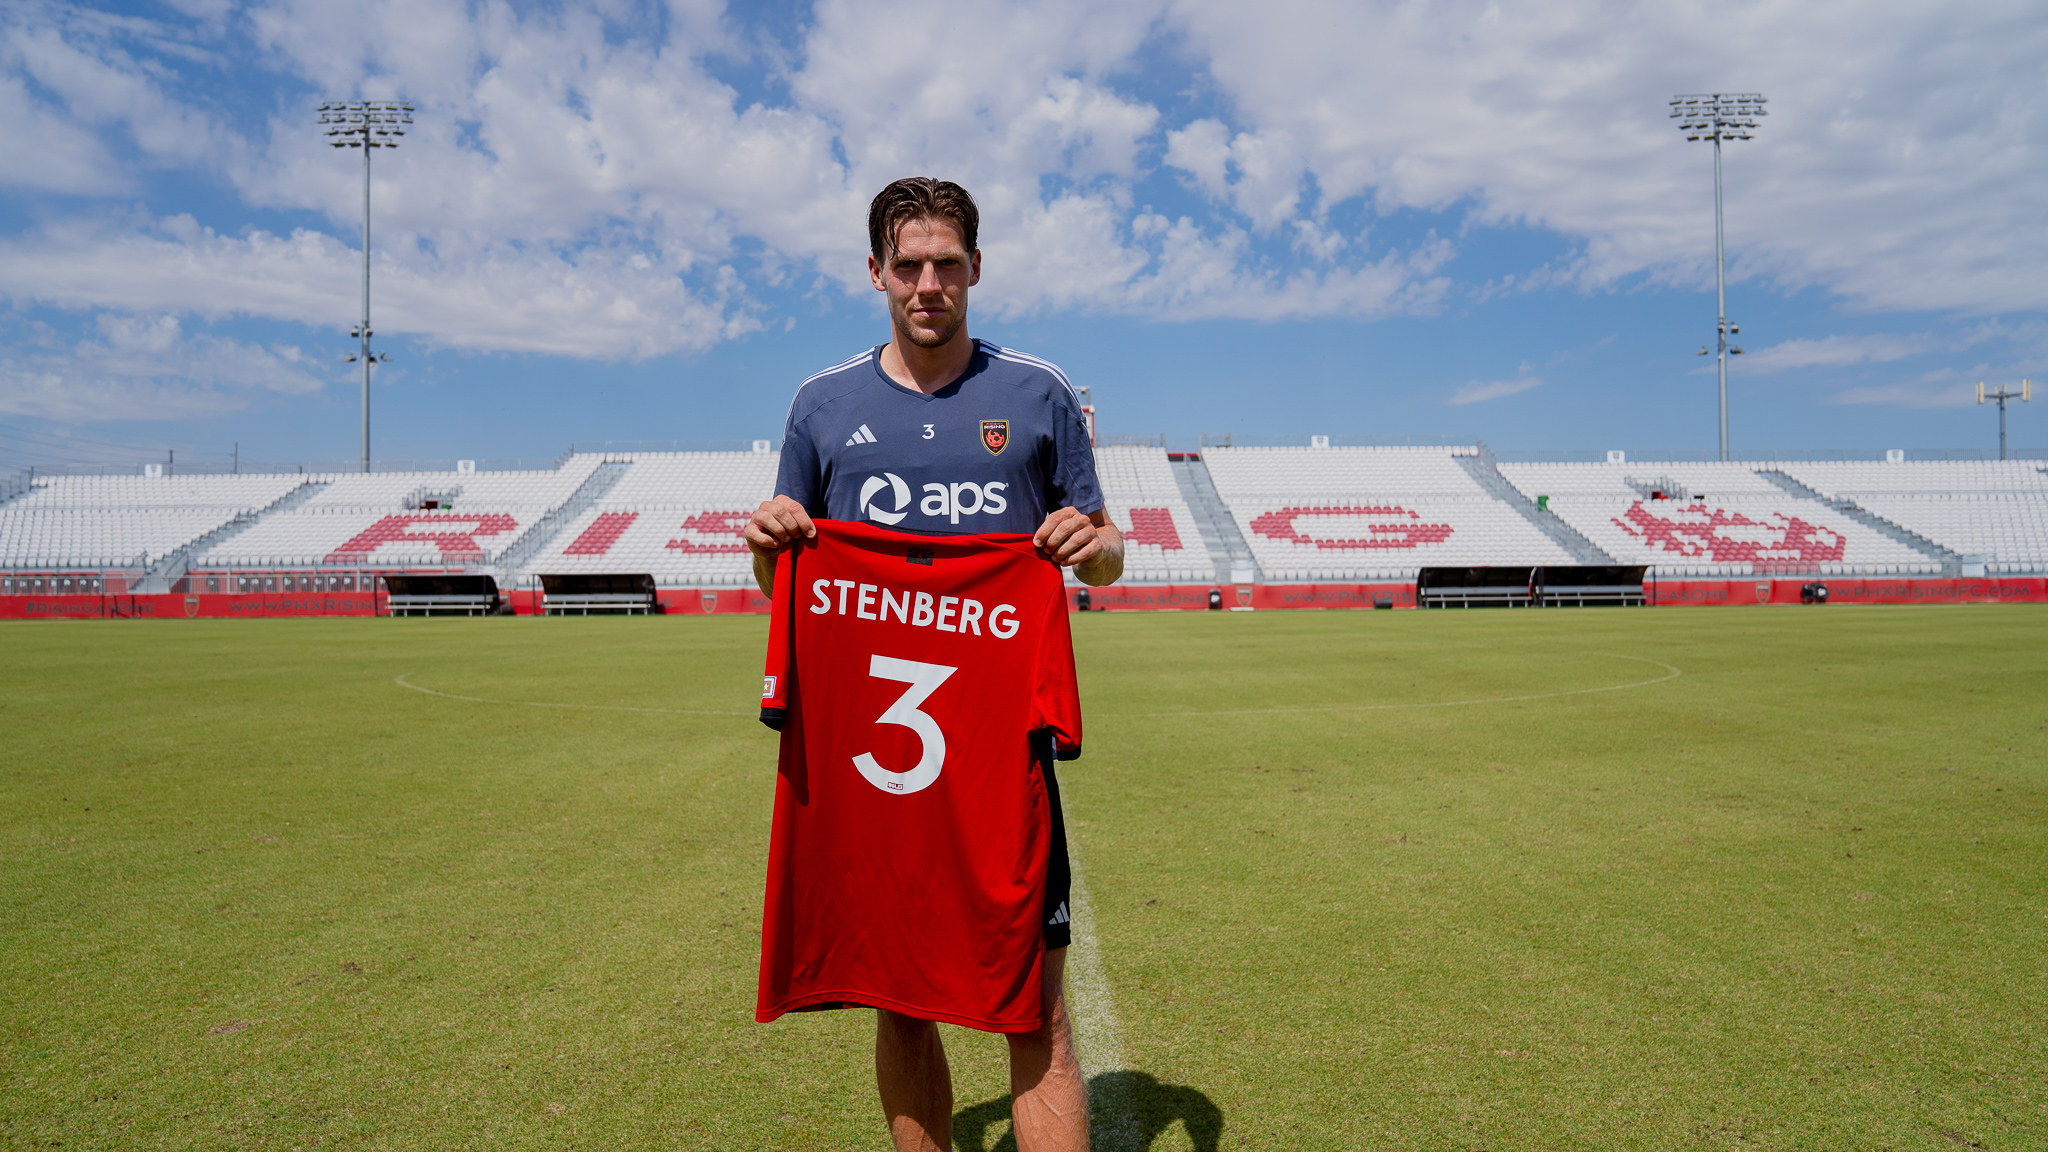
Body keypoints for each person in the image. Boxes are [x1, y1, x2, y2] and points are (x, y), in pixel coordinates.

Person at [745, 176, 1123, 1152]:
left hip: (1000, 758)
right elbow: (780, 585)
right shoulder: (821, 406)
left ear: (975, 271)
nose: (926, 285)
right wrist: (768, 540)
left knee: (1032, 1008)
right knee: (899, 1001)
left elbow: (1108, 550)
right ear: (875, 273)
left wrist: (1093, 545)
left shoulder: (1035, 395)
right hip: (878, 767)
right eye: (906, 266)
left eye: (945, 265)